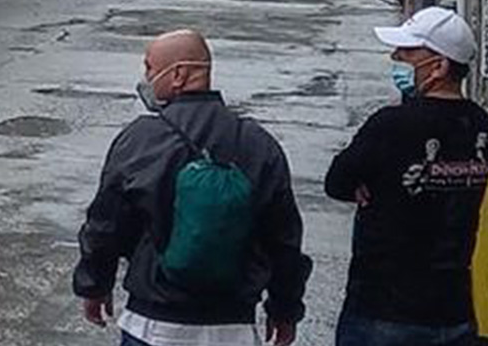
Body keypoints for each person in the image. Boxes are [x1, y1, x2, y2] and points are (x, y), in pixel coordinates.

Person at [74, 29, 312, 346]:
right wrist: (284, 309)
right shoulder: (257, 143)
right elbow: (283, 238)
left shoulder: (141, 140)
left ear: (179, 75)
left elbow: (105, 224)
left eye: (149, 67)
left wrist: (94, 285)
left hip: (153, 322)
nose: (146, 78)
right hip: (232, 326)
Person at [326, 6, 488, 346]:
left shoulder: (391, 125)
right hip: (454, 310)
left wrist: (364, 182)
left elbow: (338, 180)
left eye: (407, 52)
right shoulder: (481, 126)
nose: (396, 57)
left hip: (383, 310)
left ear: (440, 66)